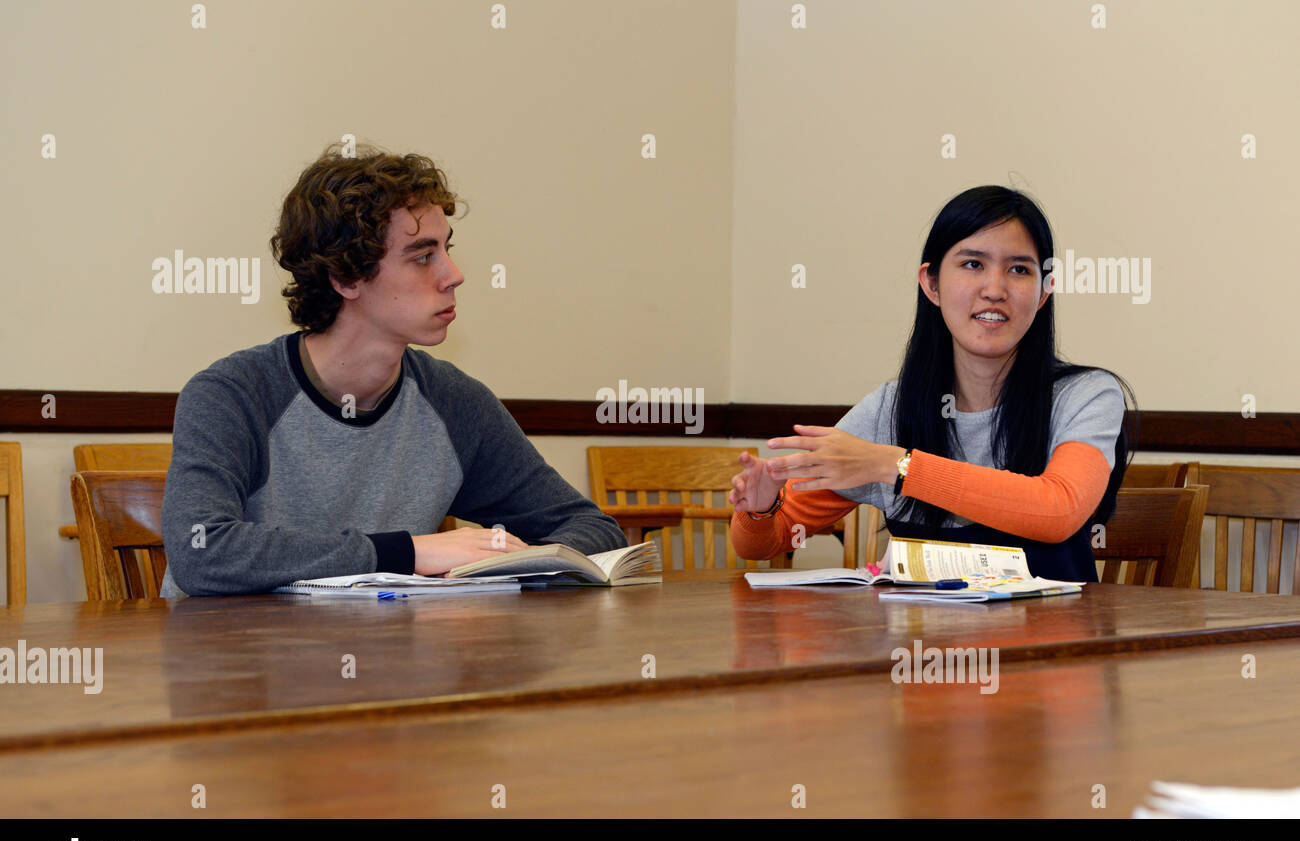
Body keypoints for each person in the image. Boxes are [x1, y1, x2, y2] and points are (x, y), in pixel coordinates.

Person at [159, 144, 625, 597]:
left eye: (446, 249)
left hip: (390, 663)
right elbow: (202, 551)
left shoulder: (455, 402)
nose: (454, 274)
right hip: (237, 667)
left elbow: (592, 529)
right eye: (423, 256)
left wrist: (501, 567)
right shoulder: (231, 394)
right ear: (345, 278)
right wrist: (408, 554)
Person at [728, 186, 1133, 582]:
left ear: (1043, 292)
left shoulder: (1086, 395)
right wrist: (759, 509)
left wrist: (896, 465)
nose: (995, 290)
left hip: (1054, 645)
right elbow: (765, 542)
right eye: (973, 264)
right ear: (932, 284)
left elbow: (1059, 510)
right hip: (922, 648)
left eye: (1019, 269)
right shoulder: (890, 409)